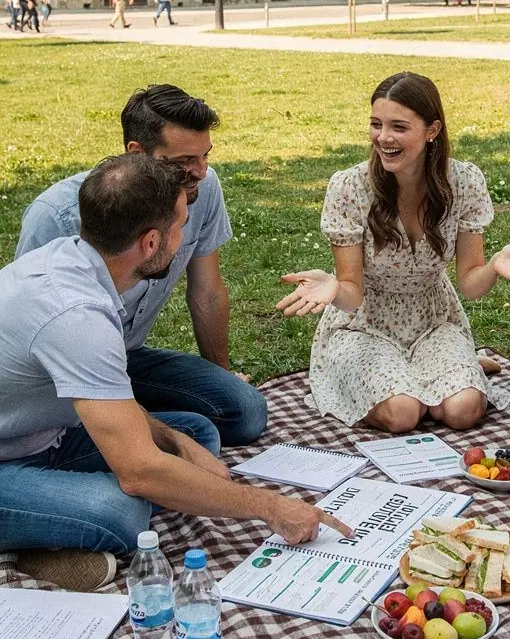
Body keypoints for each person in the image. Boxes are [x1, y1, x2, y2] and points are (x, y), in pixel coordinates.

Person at [0, 154, 350, 594]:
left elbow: (117, 406)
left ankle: (54, 526)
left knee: (194, 436)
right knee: (122, 512)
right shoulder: (77, 316)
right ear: (151, 242)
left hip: (43, 435)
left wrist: (176, 443)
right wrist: (271, 508)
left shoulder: (76, 265)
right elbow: (139, 473)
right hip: (12, 457)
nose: (185, 238)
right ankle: (33, 545)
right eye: (181, 226)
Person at [276, 71, 510, 433]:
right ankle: (408, 380)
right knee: (402, 415)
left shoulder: (464, 182)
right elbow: (351, 296)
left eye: (398, 127)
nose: (383, 138)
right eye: (376, 124)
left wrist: (494, 265)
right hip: (364, 326)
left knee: (463, 411)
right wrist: (334, 288)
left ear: (432, 130)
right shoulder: (349, 187)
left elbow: (470, 284)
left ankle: (438, 373)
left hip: (433, 319)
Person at [15, 84, 267, 447]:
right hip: (61, 374)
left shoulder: (202, 188)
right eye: (183, 162)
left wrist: (221, 375)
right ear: (137, 152)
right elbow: (30, 331)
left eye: (205, 156)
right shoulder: (56, 215)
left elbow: (208, 292)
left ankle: (130, 420)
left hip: (127, 356)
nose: (200, 172)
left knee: (245, 411)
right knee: (190, 439)